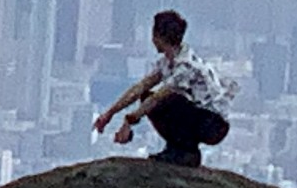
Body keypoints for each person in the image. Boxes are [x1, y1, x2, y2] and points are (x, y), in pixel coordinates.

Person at [92, 9, 237, 167]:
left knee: (167, 101)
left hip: (213, 124)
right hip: (202, 117)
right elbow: (140, 88)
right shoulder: (169, 61)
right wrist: (109, 114)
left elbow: (159, 97)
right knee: (150, 98)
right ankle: (175, 148)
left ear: (159, 36)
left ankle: (187, 152)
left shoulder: (186, 65)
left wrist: (129, 121)